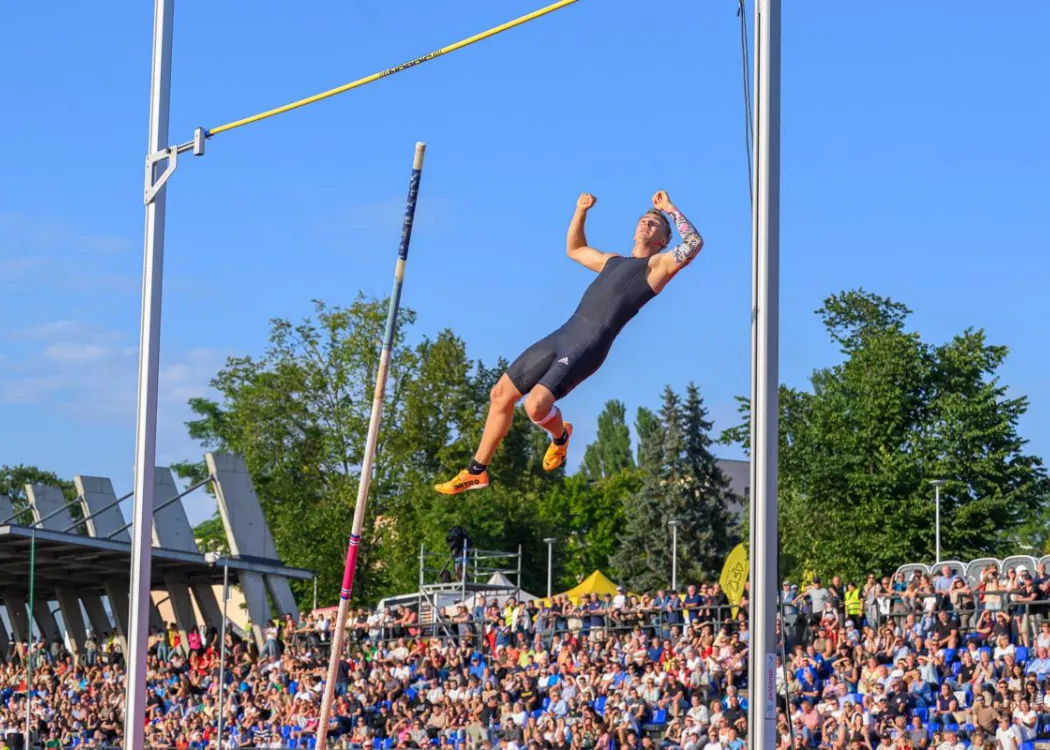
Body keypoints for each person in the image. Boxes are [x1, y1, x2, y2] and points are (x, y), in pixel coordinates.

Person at [435, 189, 704, 495]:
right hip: (563, 334)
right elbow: (575, 249)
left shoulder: (657, 267)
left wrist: (669, 208)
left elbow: (694, 244)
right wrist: (581, 211)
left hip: (589, 343)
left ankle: (560, 437)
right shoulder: (612, 261)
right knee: (500, 394)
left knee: (535, 407)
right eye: (643, 220)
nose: (646, 224)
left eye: (654, 225)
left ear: (663, 241)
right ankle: (476, 471)